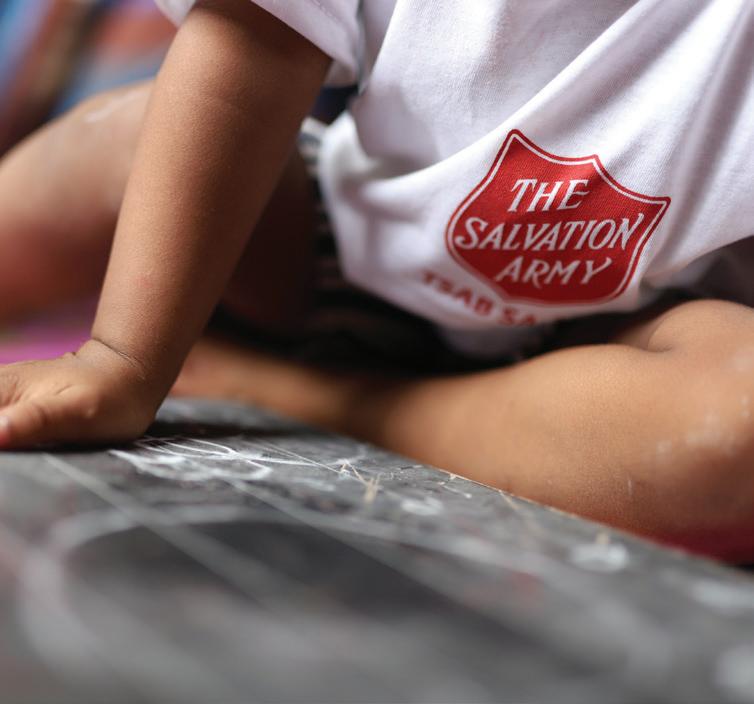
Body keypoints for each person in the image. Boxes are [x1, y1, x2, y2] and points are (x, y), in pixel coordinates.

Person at [0, 0, 753, 560]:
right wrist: (125, 356)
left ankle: (302, 396)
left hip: (613, 349)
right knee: (126, 139)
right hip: (352, 255)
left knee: (739, 423)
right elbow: (253, 40)